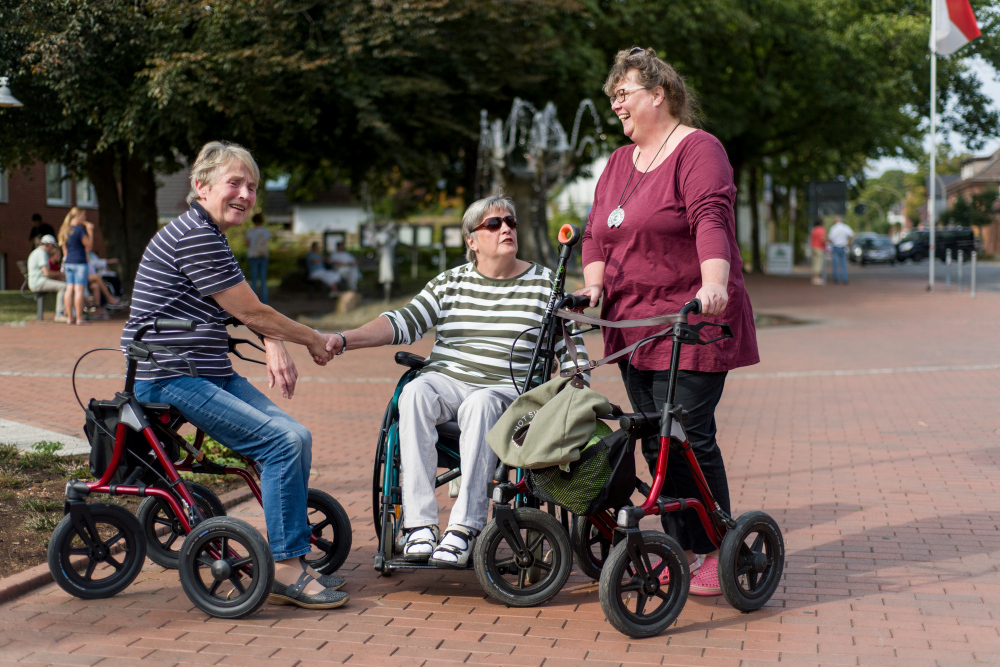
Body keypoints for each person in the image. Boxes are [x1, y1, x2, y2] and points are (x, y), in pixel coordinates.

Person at [122, 141, 348, 610]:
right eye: (235, 183)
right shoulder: (196, 236)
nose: (246, 194)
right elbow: (252, 311)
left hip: (206, 372)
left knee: (297, 437)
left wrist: (273, 339)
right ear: (200, 186)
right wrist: (307, 338)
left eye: (253, 187)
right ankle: (287, 567)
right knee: (281, 442)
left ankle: (292, 550)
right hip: (170, 377)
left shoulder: (207, 233)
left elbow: (243, 309)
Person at [575, 47, 759, 596]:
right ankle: (683, 543)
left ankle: (717, 547)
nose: (617, 105)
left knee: (687, 435)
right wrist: (593, 284)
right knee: (655, 438)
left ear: (659, 94)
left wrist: (714, 282)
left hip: (692, 320)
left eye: (624, 93)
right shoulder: (616, 162)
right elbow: (593, 233)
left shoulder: (698, 150)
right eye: (612, 97)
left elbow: (711, 217)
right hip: (632, 326)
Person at [327, 193, 588, 568]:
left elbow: (572, 350)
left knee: (480, 404)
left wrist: (575, 395)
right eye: (494, 224)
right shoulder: (450, 283)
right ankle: (419, 526)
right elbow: (402, 322)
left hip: (505, 391)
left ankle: (465, 528)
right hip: (447, 380)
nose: (506, 229)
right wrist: (344, 339)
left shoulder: (546, 284)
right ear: (471, 240)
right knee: (414, 391)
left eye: (511, 222)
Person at [57, 208, 93, 325]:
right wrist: (90, 231)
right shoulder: (79, 230)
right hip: (80, 262)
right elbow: (89, 245)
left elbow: (64, 249)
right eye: (83, 216)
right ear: (77, 216)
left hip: (68, 262)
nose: (85, 218)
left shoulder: (65, 229)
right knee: (79, 290)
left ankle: (69, 318)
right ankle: (79, 318)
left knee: (69, 289)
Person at [26, 234, 68, 322]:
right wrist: (60, 274)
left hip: (37, 281)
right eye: (53, 247)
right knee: (63, 286)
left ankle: (65, 312)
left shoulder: (38, 252)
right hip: (38, 282)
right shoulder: (41, 253)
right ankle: (59, 314)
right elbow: (47, 273)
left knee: (63, 285)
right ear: (50, 245)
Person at [244, 213, 271, 304]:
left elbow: (247, 244)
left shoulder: (250, 232)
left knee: (254, 280)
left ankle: (254, 303)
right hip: (263, 256)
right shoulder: (266, 231)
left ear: (253, 221)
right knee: (263, 280)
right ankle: (265, 302)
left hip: (253, 256)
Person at [827, 217, 854, 284]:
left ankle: (836, 279)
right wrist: (849, 244)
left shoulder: (833, 228)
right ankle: (845, 279)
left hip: (835, 247)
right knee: (844, 264)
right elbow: (852, 236)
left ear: (835, 221)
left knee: (835, 264)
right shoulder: (845, 227)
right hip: (843, 247)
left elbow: (830, 239)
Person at [810, 220, 827, 286]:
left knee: (814, 263)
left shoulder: (813, 229)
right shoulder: (822, 230)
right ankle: (817, 278)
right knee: (818, 263)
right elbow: (822, 239)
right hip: (819, 248)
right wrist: (826, 244)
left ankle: (813, 277)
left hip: (813, 247)